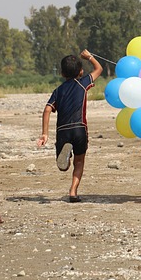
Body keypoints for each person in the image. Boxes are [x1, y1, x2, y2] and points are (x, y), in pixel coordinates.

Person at [37, 49, 103, 202]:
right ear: (80, 71)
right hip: (80, 128)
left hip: (62, 131)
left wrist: (44, 134)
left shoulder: (58, 91)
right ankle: (73, 191)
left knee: (63, 166)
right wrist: (90, 57)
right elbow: (99, 69)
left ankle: (64, 159)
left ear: (62, 74)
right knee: (79, 161)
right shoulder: (83, 83)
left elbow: (47, 109)